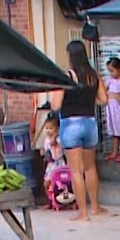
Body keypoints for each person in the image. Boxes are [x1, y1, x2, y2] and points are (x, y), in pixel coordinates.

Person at [50, 40, 107, 221]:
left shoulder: (66, 77)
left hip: (70, 124)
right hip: (90, 123)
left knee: (76, 170)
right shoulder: (93, 75)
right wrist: (89, 101)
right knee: (90, 167)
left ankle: (83, 213)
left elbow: (56, 105)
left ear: (70, 56)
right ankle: (96, 207)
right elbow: (104, 100)